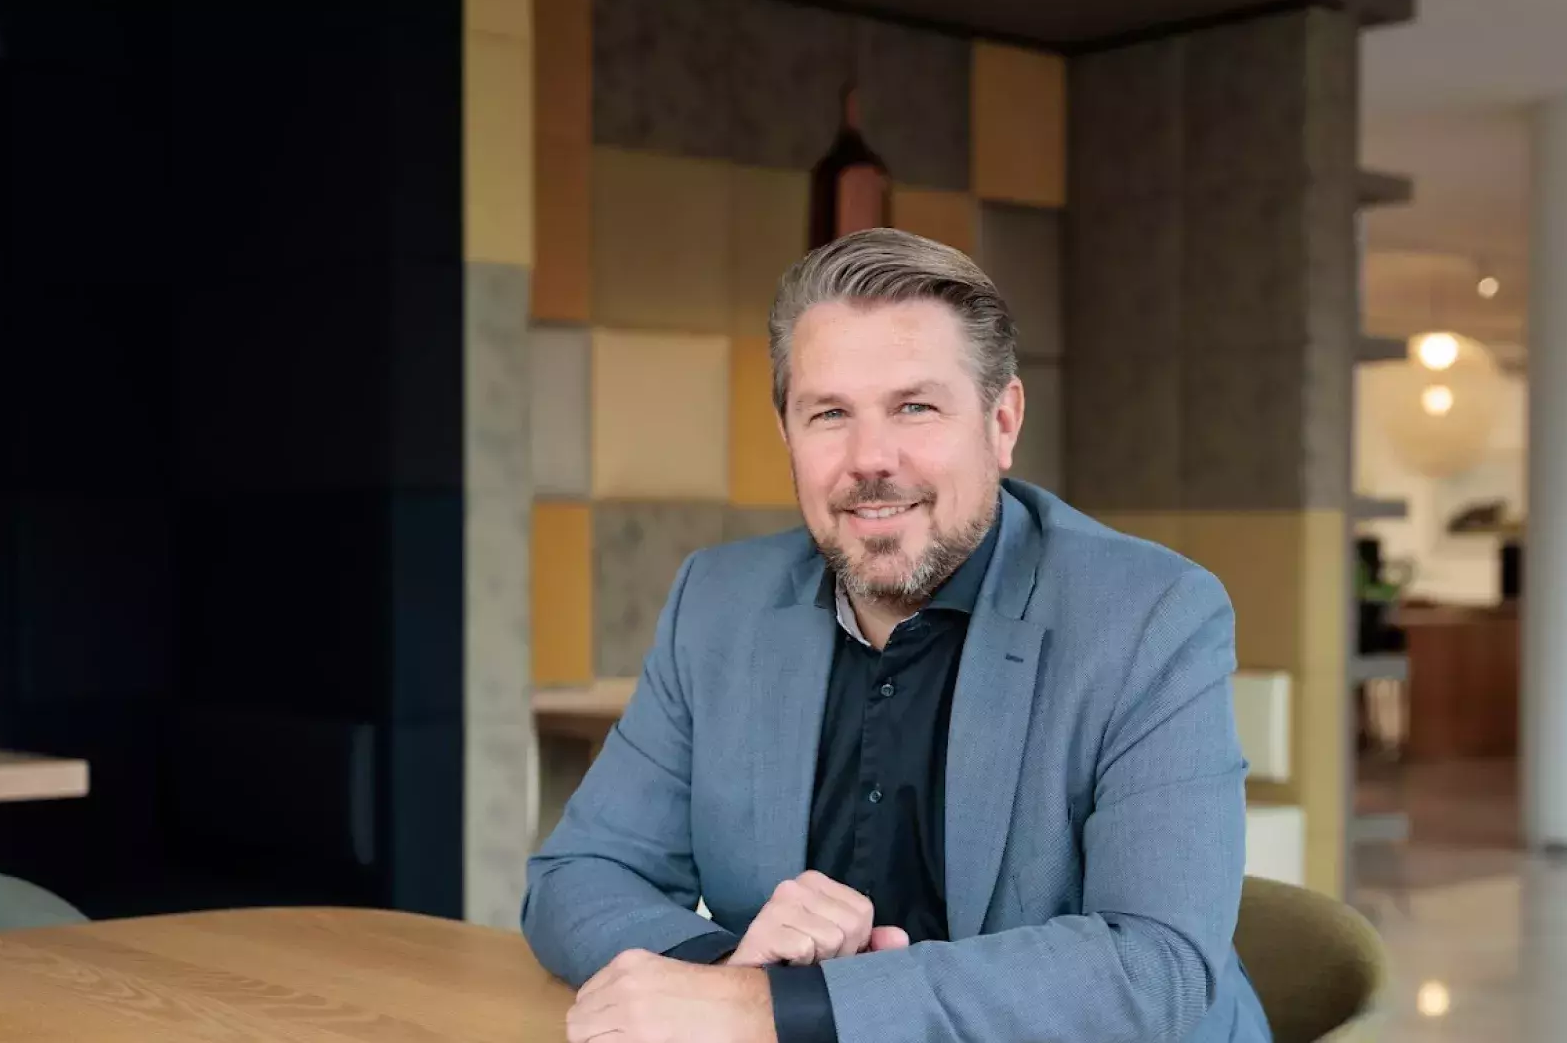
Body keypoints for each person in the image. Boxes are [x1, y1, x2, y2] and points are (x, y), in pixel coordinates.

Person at [523, 228, 1272, 1043]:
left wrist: (786, 1009)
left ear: (1002, 421)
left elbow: (1153, 967)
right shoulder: (719, 604)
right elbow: (580, 874)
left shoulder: (1149, 616)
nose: (870, 459)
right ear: (787, 434)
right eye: (829, 413)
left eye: (915, 407)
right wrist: (728, 972)